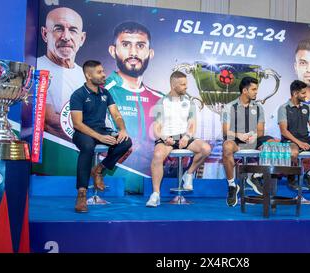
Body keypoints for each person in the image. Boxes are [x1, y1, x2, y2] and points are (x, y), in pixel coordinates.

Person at [70, 60, 132, 213]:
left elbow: (116, 114)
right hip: (83, 132)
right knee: (88, 147)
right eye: (99, 72)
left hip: (101, 130)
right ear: (88, 75)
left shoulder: (106, 93)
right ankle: (82, 194)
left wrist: (122, 129)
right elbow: (77, 124)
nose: (104, 74)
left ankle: (99, 170)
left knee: (126, 142)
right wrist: (100, 137)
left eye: (103, 71)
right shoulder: (78, 94)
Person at [105, 21, 163, 175]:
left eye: (140, 45)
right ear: (113, 51)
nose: (133, 53)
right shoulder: (102, 91)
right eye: (125, 44)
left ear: (150, 53)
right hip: (110, 181)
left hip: (150, 184)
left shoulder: (161, 98)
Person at [145, 71, 211, 207]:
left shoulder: (189, 102)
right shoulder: (161, 102)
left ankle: (189, 174)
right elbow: (156, 127)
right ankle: (156, 194)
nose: (186, 87)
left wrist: (187, 136)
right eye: (183, 84)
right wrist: (164, 138)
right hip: (167, 137)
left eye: (186, 84)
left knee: (205, 149)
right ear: (173, 85)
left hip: (183, 137)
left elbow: (192, 124)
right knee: (157, 155)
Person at [222, 77, 275, 207]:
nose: (256, 92)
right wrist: (239, 135)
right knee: (227, 146)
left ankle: (255, 176)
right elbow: (225, 131)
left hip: (254, 140)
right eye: (253, 89)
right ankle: (232, 186)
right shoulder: (229, 107)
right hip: (236, 140)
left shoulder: (259, 108)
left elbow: (261, 131)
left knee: (273, 144)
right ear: (245, 90)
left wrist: (253, 136)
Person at [38, 7, 87, 139]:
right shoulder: (35, 69)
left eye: (73, 30)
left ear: (81, 38)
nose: (66, 37)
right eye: (58, 28)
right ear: (44, 34)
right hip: (56, 153)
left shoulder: (87, 77)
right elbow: (50, 122)